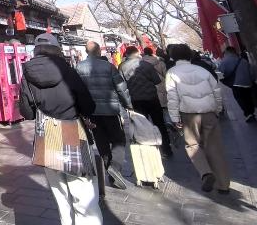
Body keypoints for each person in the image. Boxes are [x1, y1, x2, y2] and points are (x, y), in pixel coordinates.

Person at [22, 33, 102, 225]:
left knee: (60, 194)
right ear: (57, 49)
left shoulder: (27, 74)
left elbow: (27, 112)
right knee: (84, 193)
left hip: (46, 134)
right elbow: (88, 105)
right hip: (73, 131)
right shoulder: (67, 70)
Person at [166, 44, 230, 193]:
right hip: (209, 111)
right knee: (214, 147)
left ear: (173, 57)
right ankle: (224, 185)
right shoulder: (202, 70)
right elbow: (216, 91)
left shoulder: (172, 73)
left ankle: (206, 173)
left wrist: (175, 118)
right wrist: (217, 109)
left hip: (188, 113)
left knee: (192, 144)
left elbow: (172, 98)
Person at [75, 41, 132, 190]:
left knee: (101, 142)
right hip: (110, 110)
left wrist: (81, 111)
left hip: (92, 112)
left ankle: (111, 172)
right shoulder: (108, 66)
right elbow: (121, 88)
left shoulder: (79, 67)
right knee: (119, 140)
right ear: (99, 51)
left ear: (86, 52)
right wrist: (128, 104)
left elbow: (78, 91)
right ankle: (115, 167)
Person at [119, 47, 172, 157]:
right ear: (137, 53)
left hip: (135, 100)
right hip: (152, 98)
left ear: (127, 54)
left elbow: (122, 85)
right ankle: (166, 149)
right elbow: (157, 81)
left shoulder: (122, 67)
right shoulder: (146, 65)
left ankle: (148, 150)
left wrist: (126, 103)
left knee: (141, 126)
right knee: (159, 123)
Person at [218, 47, 256, 123]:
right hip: (247, 83)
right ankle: (251, 112)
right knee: (248, 98)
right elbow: (252, 72)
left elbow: (221, 71)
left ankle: (248, 114)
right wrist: (252, 80)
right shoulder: (243, 60)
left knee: (240, 99)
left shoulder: (225, 61)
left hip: (236, 84)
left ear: (227, 52)